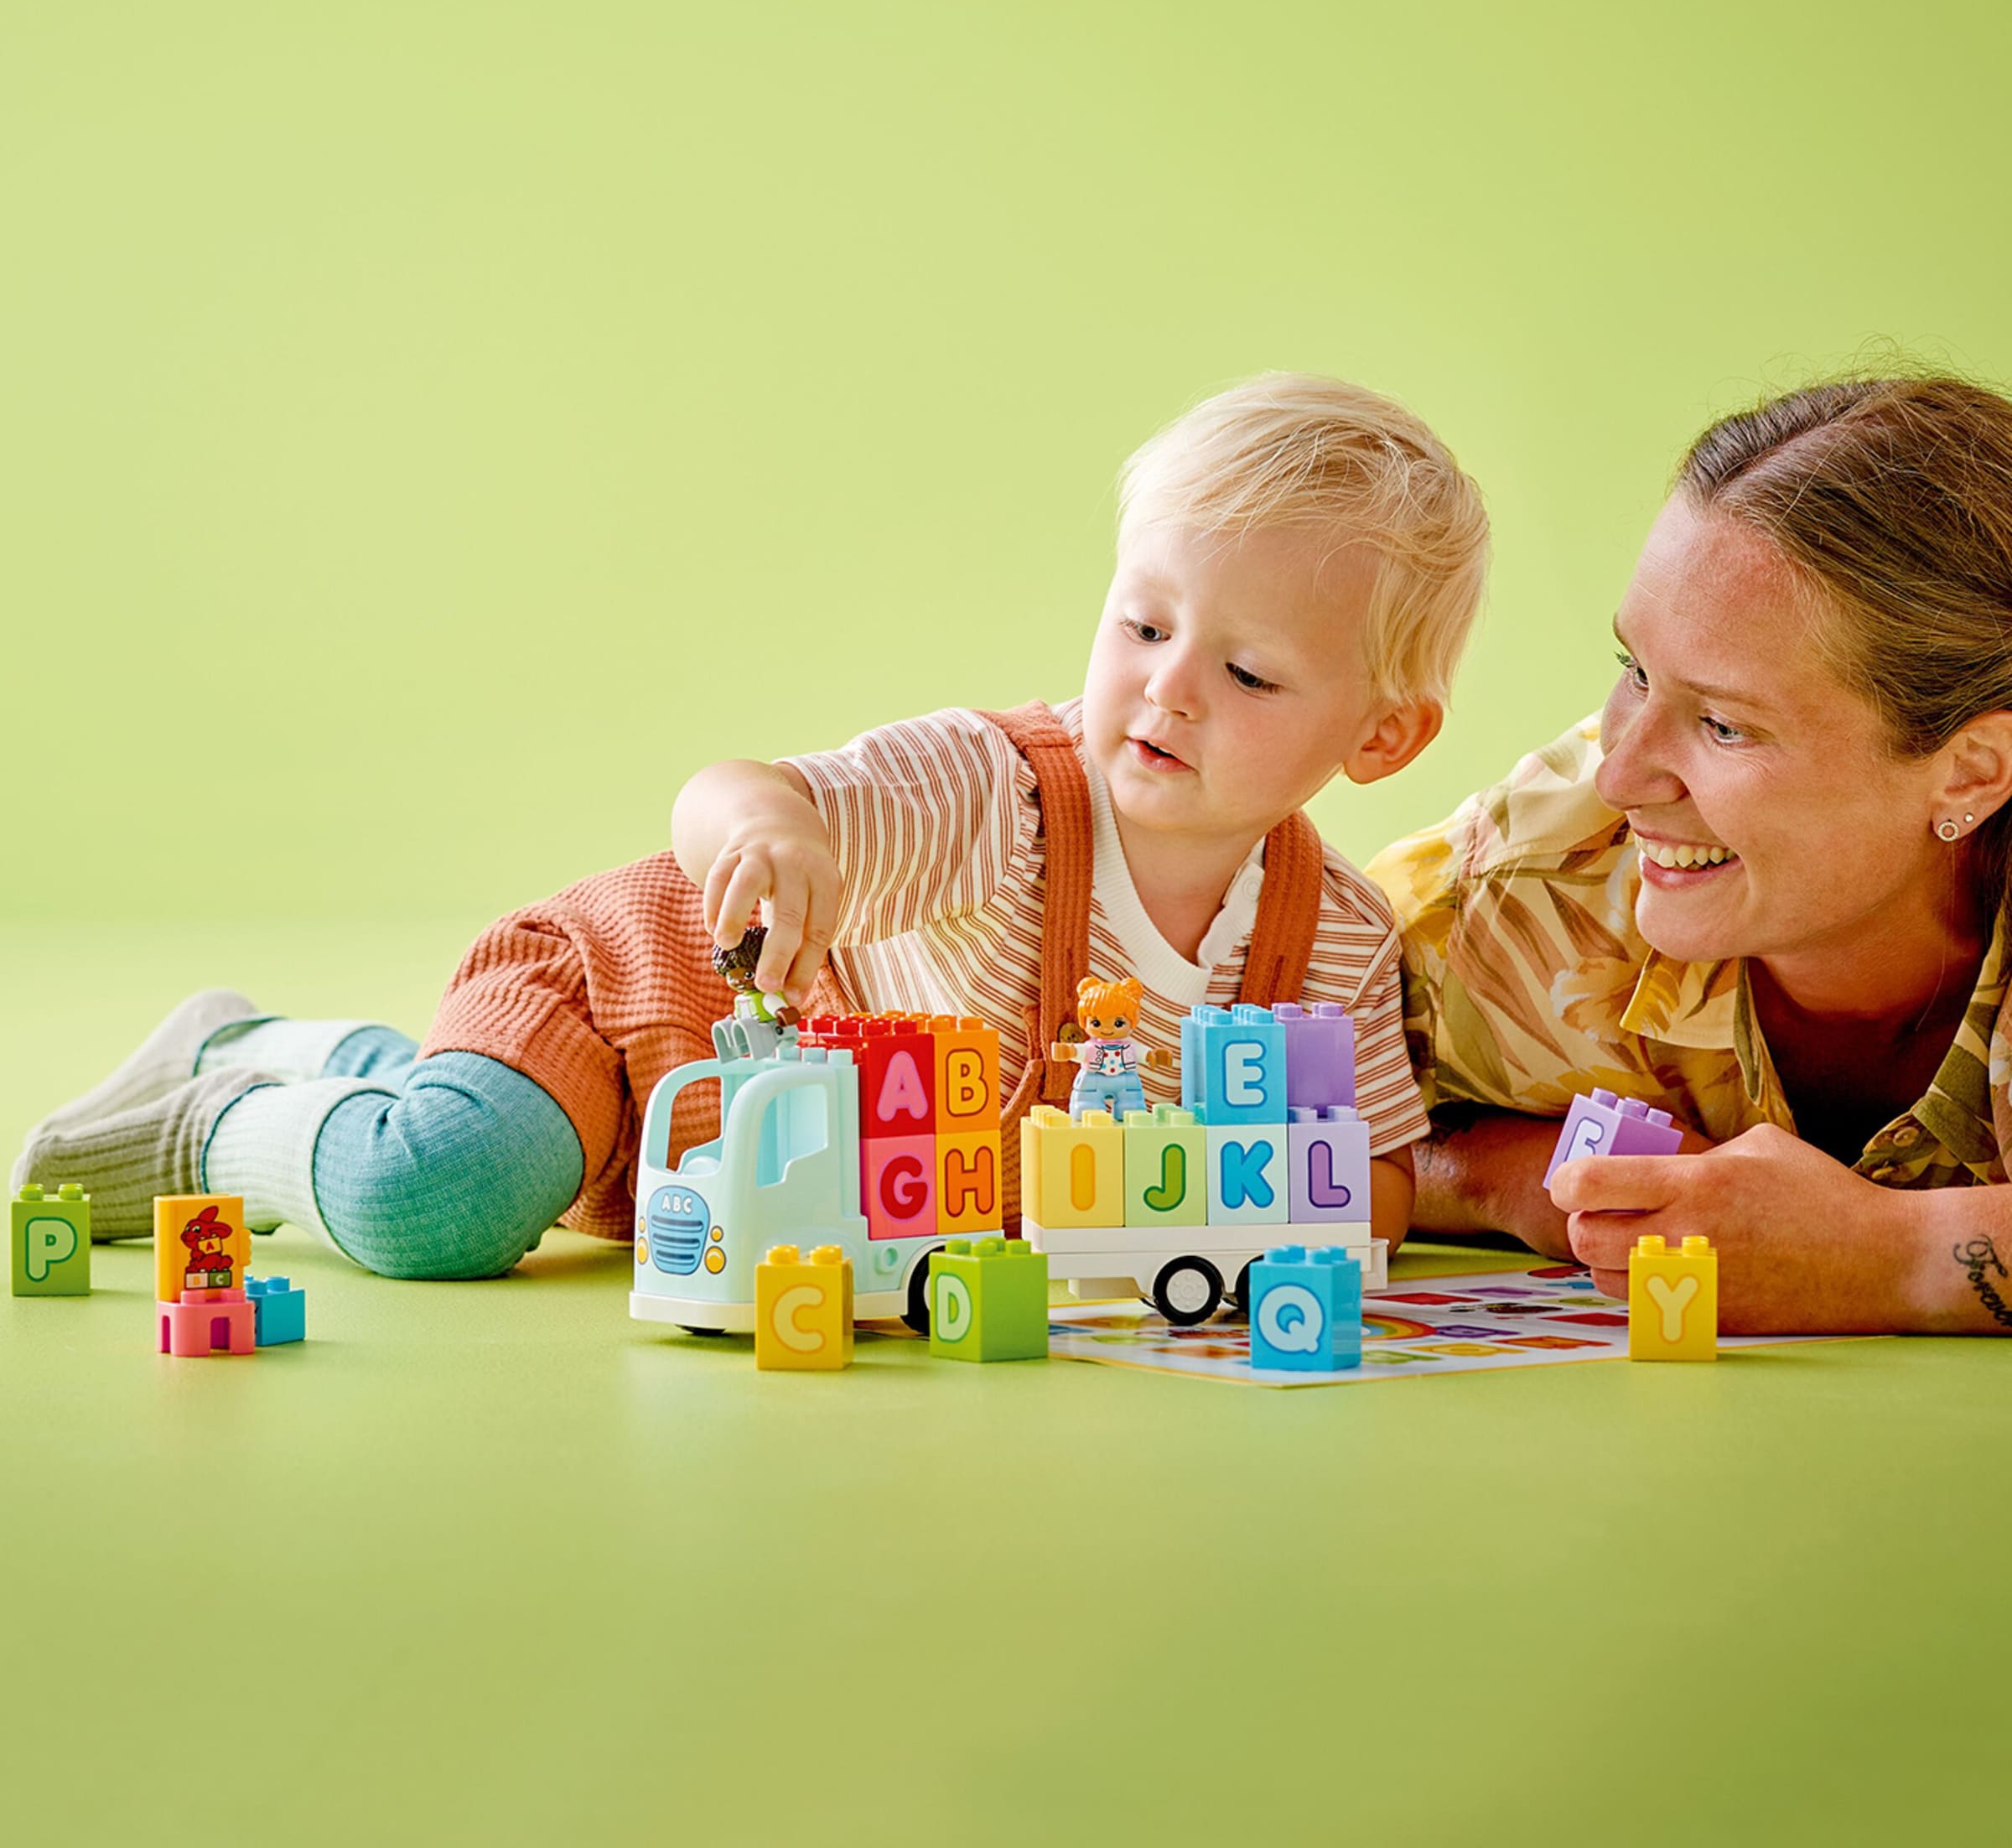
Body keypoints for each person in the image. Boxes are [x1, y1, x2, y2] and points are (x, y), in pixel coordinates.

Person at [16, 374, 1489, 1279]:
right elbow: (730, 792)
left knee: (476, 1166)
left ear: (1382, 737)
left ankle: (340, 1062)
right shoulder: (995, 798)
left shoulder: (1335, 941)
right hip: (640, 1010)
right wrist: (771, 832)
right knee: (441, 1198)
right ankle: (231, 1092)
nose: (1166, 688)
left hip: (766, 1190)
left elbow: (1364, 1185)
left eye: (1247, 673)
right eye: (1143, 624)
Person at [1372, 371, 2012, 1334]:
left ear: (1971, 772)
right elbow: (1237, 1125)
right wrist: (1510, 1173)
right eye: (1635, 669)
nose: (1622, 774)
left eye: (1723, 724)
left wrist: (1890, 1254)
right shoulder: (1505, 897)